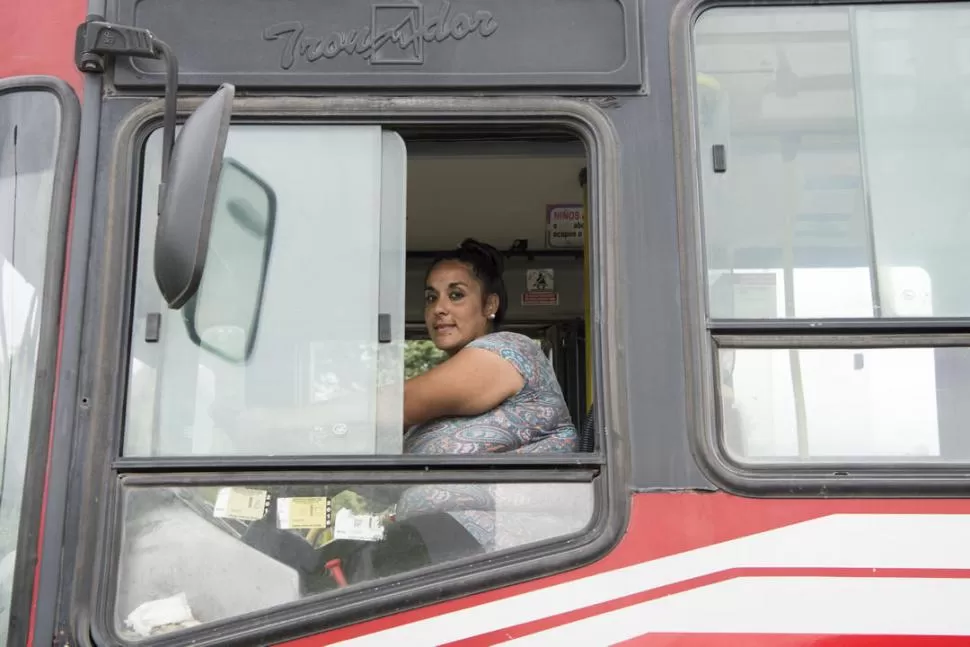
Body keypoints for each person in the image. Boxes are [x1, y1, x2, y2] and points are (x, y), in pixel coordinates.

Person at [402, 238, 578, 454]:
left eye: (456, 295)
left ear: (489, 305)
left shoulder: (509, 349)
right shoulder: (446, 386)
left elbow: (398, 405)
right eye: (431, 297)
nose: (439, 308)